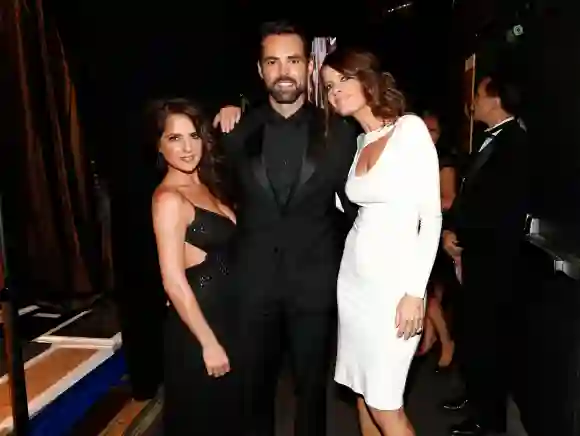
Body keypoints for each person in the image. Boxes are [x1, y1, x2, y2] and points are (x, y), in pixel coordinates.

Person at [213, 21, 358, 436]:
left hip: (314, 284)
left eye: (293, 60)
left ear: (309, 68)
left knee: (312, 392)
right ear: (260, 71)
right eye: (272, 62)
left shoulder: (339, 132)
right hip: (253, 284)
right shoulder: (235, 132)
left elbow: (359, 210)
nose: (283, 71)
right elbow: (213, 200)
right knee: (253, 391)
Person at [321, 48, 442, 436]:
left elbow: (431, 217)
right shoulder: (357, 145)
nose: (335, 91)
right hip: (354, 282)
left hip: (395, 288)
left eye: (342, 79)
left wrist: (415, 292)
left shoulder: (409, 129)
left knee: (384, 403)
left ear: (366, 78)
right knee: (361, 391)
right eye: (327, 86)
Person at [442, 74, 529, 436]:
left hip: (494, 264)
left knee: (488, 345)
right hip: (477, 258)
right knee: (474, 339)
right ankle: (477, 402)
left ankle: (488, 421)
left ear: (495, 100)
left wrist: (463, 238)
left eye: (478, 94)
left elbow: (500, 212)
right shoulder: (491, 141)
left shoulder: (514, 144)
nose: (473, 101)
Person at [150, 98, 240, 436]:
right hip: (198, 330)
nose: (187, 148)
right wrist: (208, 343)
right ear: (159, 146)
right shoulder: (169, 200)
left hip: (227, 321)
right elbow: (172, 281)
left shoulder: (203, 184)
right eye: (174, 138)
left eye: (193, 136)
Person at [416, 111, 457, 369]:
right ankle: (431, 337)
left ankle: (446, 340)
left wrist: (422, 207)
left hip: (440, 231)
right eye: (425, 129)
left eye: (434, 131)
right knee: (430, 293)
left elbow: (450, 199)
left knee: (428, 292)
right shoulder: (416, 158)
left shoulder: (444, 161)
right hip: (418, 232)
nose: (428, 135)